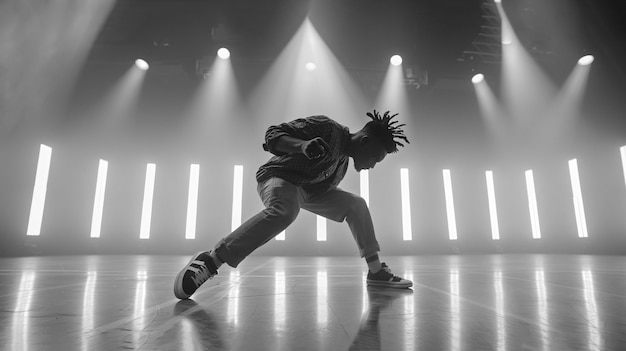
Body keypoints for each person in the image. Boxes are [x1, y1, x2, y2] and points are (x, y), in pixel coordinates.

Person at [174, 110, 412, 300]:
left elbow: (319, 190)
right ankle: (211, 260)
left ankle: (375, 272)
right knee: (285, 211)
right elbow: (273, 134)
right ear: (365, 141)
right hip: (280, 177)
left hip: (308, 191)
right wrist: (302, 145)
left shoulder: (342, 164)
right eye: (375, 158)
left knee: (356, 204)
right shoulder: (329, 128)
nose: (373, 165)